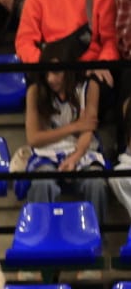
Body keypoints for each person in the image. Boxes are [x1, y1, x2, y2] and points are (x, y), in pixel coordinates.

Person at [20, 59, 108, 224]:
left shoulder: (88, 87)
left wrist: (75, 157)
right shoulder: (35, 91)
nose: (50, 79)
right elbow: (34, 139)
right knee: (42, 182)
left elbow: (87, 130)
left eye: (56, 73)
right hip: (47, 153)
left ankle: (96, 236)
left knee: (96, 182)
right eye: (47, 73)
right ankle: (41, 234)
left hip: (81, 151)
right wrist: (73, 127)